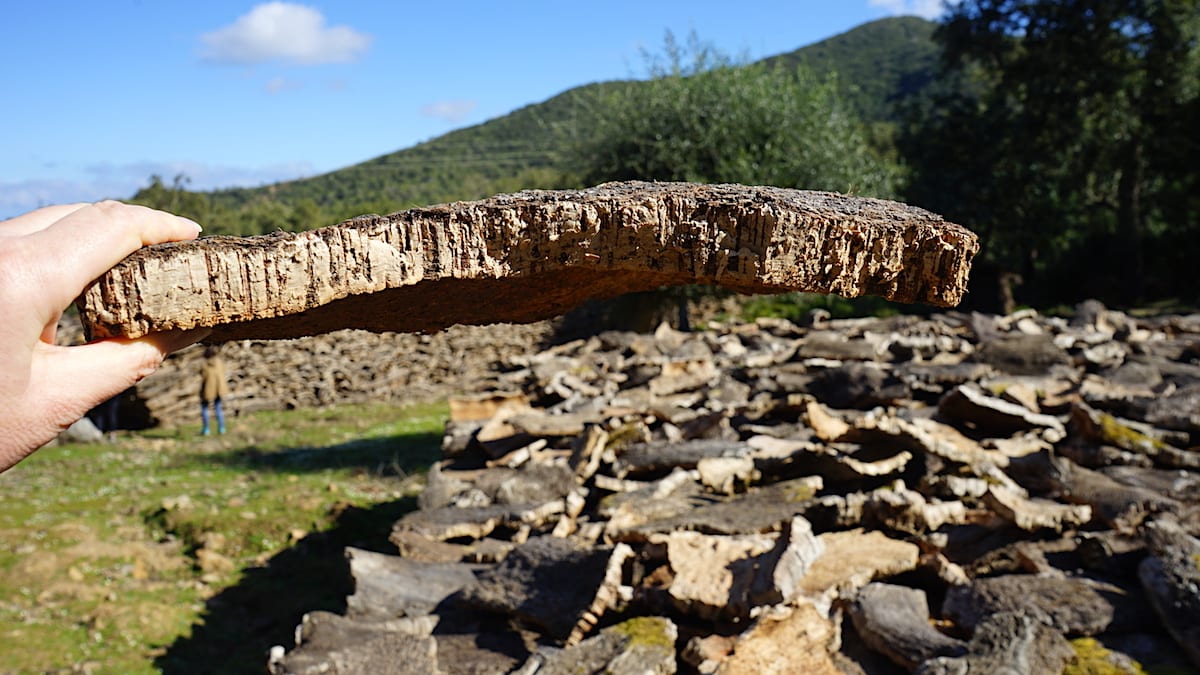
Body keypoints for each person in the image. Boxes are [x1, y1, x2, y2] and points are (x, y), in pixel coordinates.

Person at [0, 201, 208, 473]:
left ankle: (109, 431)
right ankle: (109, 431)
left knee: (109, 413)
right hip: (110, 394)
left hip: (111, 394)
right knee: (108, 413)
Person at [199, 345, 230, 435]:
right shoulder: (219, 362)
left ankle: (206, 429)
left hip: (207, 389)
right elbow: (223, 371)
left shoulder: (204, 364)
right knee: (218, 408)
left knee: (205, 408)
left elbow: (203, 375)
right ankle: (221, 428)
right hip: (219, 389)